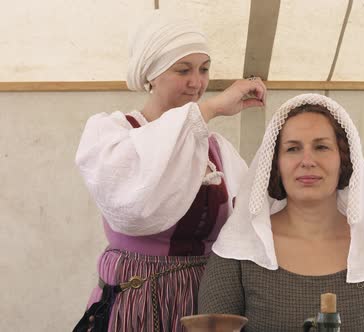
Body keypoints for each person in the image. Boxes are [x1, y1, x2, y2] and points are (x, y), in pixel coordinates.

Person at [72, 10, 266, 332]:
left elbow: (249, 222)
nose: (197, 82)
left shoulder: (217, 151)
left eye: (204, 69)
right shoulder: (113, 133)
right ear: (151, 74)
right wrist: (212, 108)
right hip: (138, 301)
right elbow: (132, 208)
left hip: (203, 301)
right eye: (183, 70)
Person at [198, 93, 364, 331]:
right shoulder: (239, 249)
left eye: (321, 147)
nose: (307, 160)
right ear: (275, 163)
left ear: (344, 159)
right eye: (293, 148)